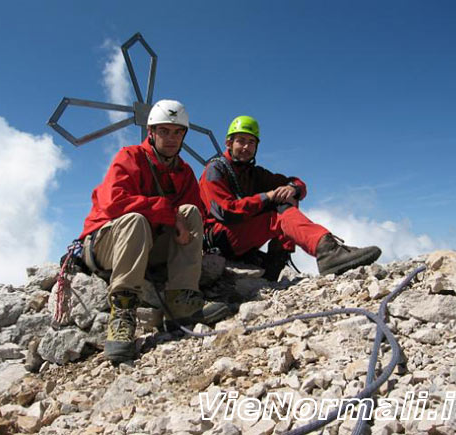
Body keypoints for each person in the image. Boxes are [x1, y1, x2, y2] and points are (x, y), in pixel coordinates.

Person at [79, 100, 229, 363]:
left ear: (184, 135)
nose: (171, 138)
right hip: (106, 244)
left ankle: (182, 302)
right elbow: (115, 202)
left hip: (148, 246)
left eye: (177, 132)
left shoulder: (184, 172)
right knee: (134, 219)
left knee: (191, 213)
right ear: (151, 132)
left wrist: (179, 223)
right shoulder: (130, 157)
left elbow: (197, 214)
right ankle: (123, 314)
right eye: (164, 131)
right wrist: (169, 215)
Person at [199, 115, 381, 280]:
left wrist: (293, 189)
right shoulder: (215, 170)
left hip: (237, 236)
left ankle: (276, 265)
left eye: (252, 142)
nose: (246, 147)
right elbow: (225, 211)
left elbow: (295, 182)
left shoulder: (254, 173)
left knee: (286, 199)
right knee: (277, 214)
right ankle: (327, 250)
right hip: (220, 238)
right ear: (228, 143)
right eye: (241, 141)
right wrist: (267, 197)